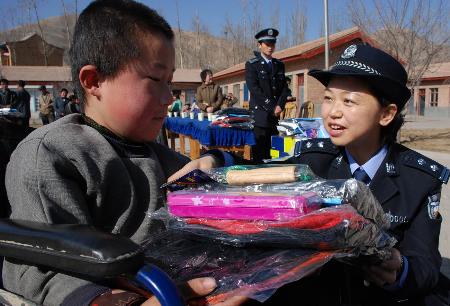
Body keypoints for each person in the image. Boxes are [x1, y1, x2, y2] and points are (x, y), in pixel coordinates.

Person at [3, 1, 246, 306]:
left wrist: (215, 161)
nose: (169, 97)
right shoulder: (52, 154)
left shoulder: (159, 156)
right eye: (156, 80)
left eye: (170, 82)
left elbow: (237, 183)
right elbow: (42, 266)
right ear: (94, 81)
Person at [171, 44, 450, 306]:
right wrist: (215, 159)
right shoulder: (313, 160)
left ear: (387, 114)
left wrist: (399, 270)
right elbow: (260, 171)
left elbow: (425, 266)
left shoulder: (419, 179)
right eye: (328, 98)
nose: (333, 112)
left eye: (349, 101)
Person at [245, 28, 289, 162]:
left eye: (273, 44)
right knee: (259, 154)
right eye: (267, 44)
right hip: (260, 117)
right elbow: (254, 89)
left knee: (274, 153)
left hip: (274, 117)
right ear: (260, 45)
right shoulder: (253, 65)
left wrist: (280, 105)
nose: (270, 47)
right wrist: (272, 107)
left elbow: (284, 88)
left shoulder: (279, 65)